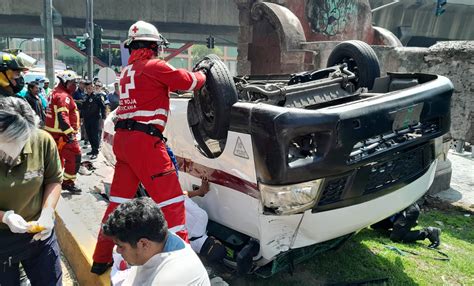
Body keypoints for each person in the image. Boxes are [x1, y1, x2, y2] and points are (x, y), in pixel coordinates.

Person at [91, 20, 208, 274]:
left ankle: (101, 259)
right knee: (173, 204)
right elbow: (187, 81)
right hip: (145, 143)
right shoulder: (154, 66)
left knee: (118, 205)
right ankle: (182, 267)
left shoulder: (126, 73)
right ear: (153, 46)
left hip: (125, 142)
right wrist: (205, 75)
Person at [0, 96, 63, 285]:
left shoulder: (41, 141)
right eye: (8, 141)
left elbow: (53, 180)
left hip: (37, 236)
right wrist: (4, 217)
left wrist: (46, 214)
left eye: (20, 140)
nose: (14, 150)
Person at [103, 197, 210, 286]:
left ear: (143, 243)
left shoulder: (168, 279)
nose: (118, 250)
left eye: (121, 246)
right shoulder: (162, 240)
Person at [44, 70, 82, 194]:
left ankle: (54, 182)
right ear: (65, 82)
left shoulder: (54, 92)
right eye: (72, 82)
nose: (75, 85)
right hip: (62, 135)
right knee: (75, 156)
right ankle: (68, 182)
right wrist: (70, 133)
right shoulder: (63, 96)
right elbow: (62, 116)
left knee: (56, 160)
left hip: (53, 134)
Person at [371, 203, 441, 248]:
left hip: (408, 210)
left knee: (396, 238)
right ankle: (403, 227)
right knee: (375, 226)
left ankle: (428, 232)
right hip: (396, 211)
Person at [81, 81, 106, 159]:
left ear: (93, 88)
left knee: (94, 135)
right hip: (87, 119)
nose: (89, 89)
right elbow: (83, 108)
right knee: (89, 135)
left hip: (95, 119)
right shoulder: (84, 97)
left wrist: (103, 118)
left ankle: (95, 151)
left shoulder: (97, 96)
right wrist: (81, 117)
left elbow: (103, 107)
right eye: (87, 88)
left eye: (90, 88)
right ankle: (92, 149)